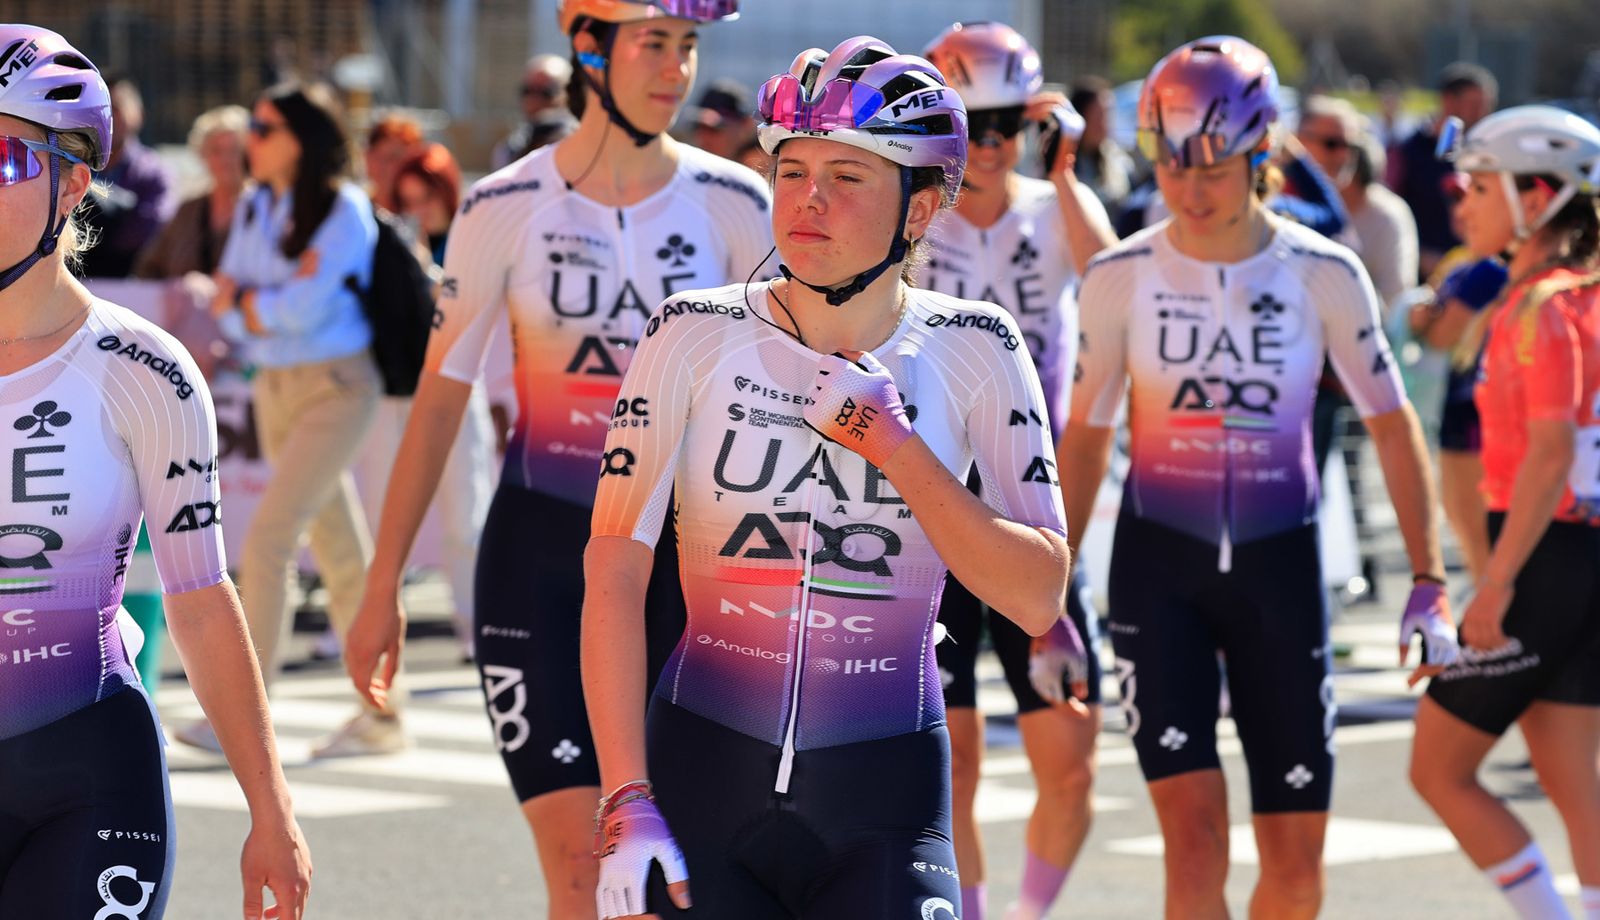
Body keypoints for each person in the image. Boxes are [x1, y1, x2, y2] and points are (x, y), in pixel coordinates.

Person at [582, 34, 1076, 920]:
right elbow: (614, 568)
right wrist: (625, 794)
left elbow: (1038, 597)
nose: (809, 200)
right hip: (701, 779)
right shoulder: (690, 332)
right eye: (792, 171)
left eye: (848, 177)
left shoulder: (979, 347)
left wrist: (895, 448)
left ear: (918, 210)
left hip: (884, 798)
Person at [343, 1, 768, 915]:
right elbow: (440, 402)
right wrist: (382, 588)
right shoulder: (504, 205)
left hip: (688, 573)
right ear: (589, 48)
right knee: (584, 868)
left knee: (672, 882)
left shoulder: (737, 201)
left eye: (688, 47)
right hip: (541, 560)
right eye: (653, 44)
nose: (677, 70)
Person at [1057, 36, 1453, 919]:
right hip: (1160, 573)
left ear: (1260, 153)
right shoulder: (1120, 277)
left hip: (1282, 575)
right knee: (1194, 844)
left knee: (1297, 869)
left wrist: (1430, 581)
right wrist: (1054, 595)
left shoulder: (1324, 272)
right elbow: (1083, 442)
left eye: (1213, 168)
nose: (1190, 190)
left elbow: (1392, 426)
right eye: (1172, 165)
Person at [0, 24, 311, 918]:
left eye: (5, 159)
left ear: (72, 184)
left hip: (88, 772)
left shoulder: (144, 369)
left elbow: (201, 599)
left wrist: (271, 809)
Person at [919, 20, 1115, 920]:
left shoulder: (1051, 209)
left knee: (1072, 767)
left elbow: (1113, 282)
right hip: (937, 511)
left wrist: (1068, 172)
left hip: (1036, 509)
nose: (992, 144)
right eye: (974, 123)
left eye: (1009, 123)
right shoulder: (916, 216)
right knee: (950, 763)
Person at [1409, 104, 1600, 920]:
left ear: (1539, 196)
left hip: (1542, 561)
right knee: (1570, 779)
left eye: (1481, 188)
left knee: (1437, 768)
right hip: (1574, 556)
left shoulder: (1542, 305)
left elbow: (1550, 456)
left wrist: (1494, 585)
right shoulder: (1570, 294)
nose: (1463, 204)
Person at [181, 81, 390, 759]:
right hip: (275, 385)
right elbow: (228, 300)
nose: (252, 140)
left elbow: (299, 306)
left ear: (301, 138)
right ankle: (383, 713)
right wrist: (259, 302)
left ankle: (244, 716)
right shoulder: (256, 204)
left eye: (265, 128)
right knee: (341, 552)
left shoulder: (344, 206)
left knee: (270, 539)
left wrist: (253, 302)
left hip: (337, 386)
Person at [381, 142, 497, 661]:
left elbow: (469, 308)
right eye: (408, 201)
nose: (418, 211)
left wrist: (425, 267)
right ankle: (374, 623)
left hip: (460, 389)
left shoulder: (471, 238)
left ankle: (475, 628)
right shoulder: (389, 243)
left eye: (425, 198)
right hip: (401, 391)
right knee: (383, 519)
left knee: (466, 520)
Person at [1297, 95, 1419, 307]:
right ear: (1298, 142)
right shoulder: (1279, 200)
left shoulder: (1387, 214)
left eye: (1351, 146)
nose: (1343, 155)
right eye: (1331, 144)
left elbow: (1395, 302)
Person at [1389, 62, 1498, 282]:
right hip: (1419, 275)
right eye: (1474, 104)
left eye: (1486, 105)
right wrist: (1419, 254)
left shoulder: (1487, 156)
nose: (1482, 113)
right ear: (1448, 100)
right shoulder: (1408, 151)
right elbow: (1390, 209)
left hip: (1471, 275)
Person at [76, 75, 176, 279]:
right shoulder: (73, 166)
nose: (106, 118)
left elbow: (153, 232)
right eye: (99, 110)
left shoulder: (154, 173)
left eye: (115, 109)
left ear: (139, 114)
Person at [135, 104, 249, 279]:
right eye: (216, 151)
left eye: (234, 151)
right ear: (203, 154)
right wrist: (177, 287)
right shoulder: (187, 211)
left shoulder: (261, 207)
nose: (226, 160)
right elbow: (148, 268)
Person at [491, 54, 579, 170]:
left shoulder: (583, 143)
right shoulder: (510, 149)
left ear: (569, 94)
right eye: (527, 91)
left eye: (546, 92)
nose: (534, 99)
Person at [1069, 75, 1138, 217]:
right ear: (1081, 117)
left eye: (1108, 115)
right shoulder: (1062, 164)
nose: (1105, 124)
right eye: (1099, 116)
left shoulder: (1117, 159)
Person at [363, 113, 425, 213]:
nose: (386, 167)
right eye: (379, 157)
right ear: (367, 157)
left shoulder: (423, 213)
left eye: (395, 158)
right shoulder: (352, 209)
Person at [688, 77, 755, 161]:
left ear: (747, 125)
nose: (704, 138)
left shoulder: (765, 166)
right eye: (698, 126)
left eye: (714, 129)